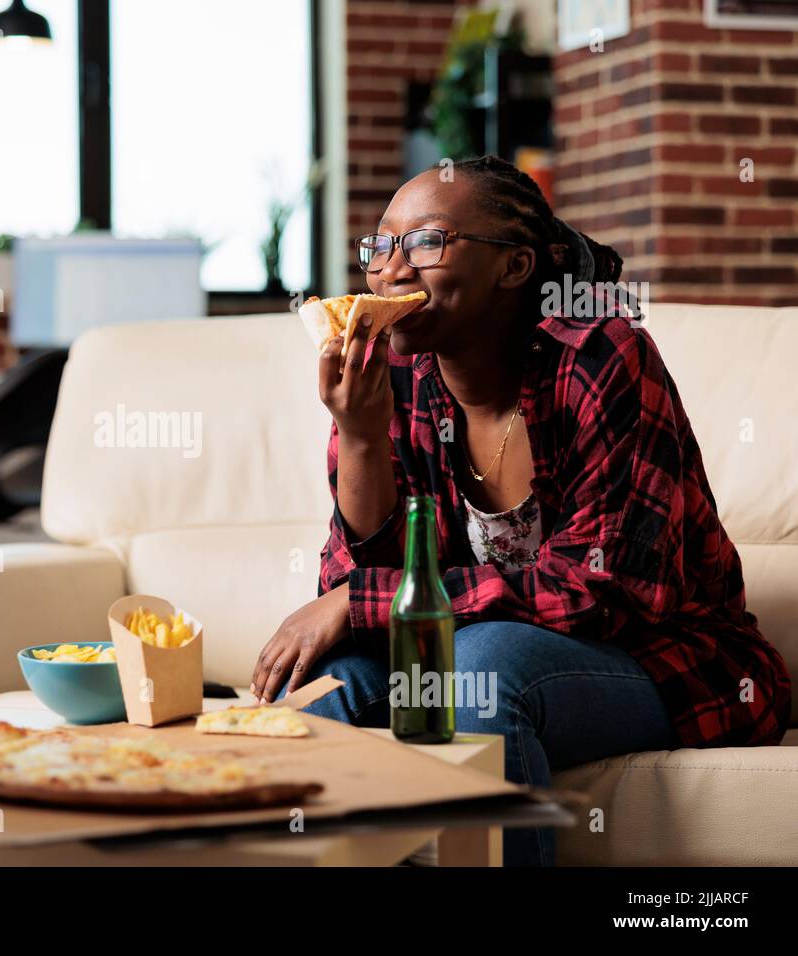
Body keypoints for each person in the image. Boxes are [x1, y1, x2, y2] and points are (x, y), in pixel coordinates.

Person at [249, 154, 792, 866]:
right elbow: (374, 590)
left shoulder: (600, 356)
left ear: (514, 267)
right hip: (461, 648)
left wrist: (361, 603)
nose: (391, 270)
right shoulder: (399, 379)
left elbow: (602, 592)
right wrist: (357, 435)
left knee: (481, 669)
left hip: (663, 655)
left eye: (427, 242)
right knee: (322, 693)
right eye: (380, 246)